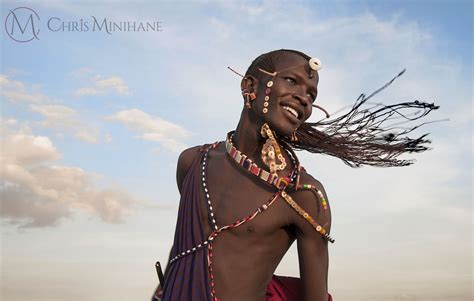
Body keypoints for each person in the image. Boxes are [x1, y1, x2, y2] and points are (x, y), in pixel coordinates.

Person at [151, 49, 438, 301]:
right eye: (291, 81)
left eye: (311, 95)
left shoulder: (304, 195)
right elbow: (183, 255)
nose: (304, 98)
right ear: (250, 85)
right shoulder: (192, 163)